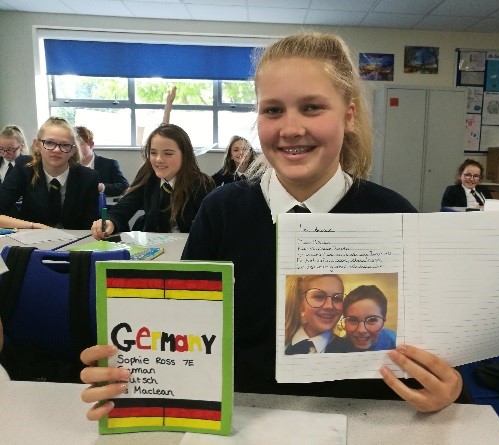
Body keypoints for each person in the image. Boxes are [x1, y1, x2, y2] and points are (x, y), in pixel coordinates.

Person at [80, 32, 463, 419]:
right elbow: (182, 333)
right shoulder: (221, 211)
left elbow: (425, 353)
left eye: (312, 107)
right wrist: (135, 371)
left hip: (363, 418)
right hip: (242, 416)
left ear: (348, 115)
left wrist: (444, 387)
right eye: (273, 110)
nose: (291, 128)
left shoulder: (394, 216)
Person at [90, 124, 215, 238]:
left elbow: (210, 229)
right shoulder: (148, 177)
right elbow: (125, 207)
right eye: (153, 153)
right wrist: (109, 221)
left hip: (188, 251)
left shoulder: (201, 184)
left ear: (185, 155)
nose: (159, 159)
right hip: (155, 248)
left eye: (168, 153)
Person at [0, 117, 99, 229]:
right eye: (49, 143)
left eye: (65, 145)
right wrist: (32, 226)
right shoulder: (25, 168)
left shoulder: (88, 177)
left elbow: (90, 225)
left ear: (73, 150)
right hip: (32, 239)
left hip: (72, 241)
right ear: (37, 144)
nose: (56, 150)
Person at [284, 274, 344, 355]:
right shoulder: (281, 343)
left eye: (337, 298)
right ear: (301, 303)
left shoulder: (348, 349)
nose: (330, 306)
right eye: (319, 297)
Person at [327, 285, 396, 353]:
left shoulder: (395, 341)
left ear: (383, 323)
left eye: (372, 320)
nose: (361, 330)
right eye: (353, 320)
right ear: (345, 322)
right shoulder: (338, 347)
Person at [75, 126, 129, 197]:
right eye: (72, 145)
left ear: (91, 144)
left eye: (79, 145)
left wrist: (102, 187)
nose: (75, 149)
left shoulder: (109, 164)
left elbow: (124, 186)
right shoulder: (67, 165)